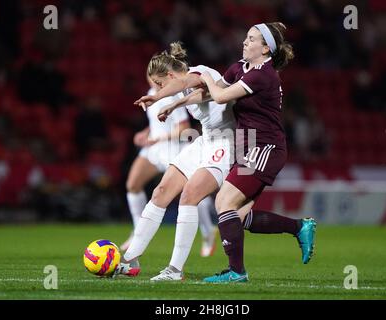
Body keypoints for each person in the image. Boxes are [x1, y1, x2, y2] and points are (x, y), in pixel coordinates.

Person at [197, 22, 317, 283]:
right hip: (247, 142)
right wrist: (172, 102)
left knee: (223, 203)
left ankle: (237, 273)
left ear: (265, 49)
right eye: (246, 37)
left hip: (264, 146)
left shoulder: (264, 74)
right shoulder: (241, 67)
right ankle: (299, 227)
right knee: (237, 216)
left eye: (251, 39)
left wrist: (204, 76)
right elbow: (209, 94)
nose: (245, 42)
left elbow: (219, 96)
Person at [114, 42, 236, 281]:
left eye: (159, 83)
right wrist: (171, 105)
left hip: (226, 142)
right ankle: (130, 258)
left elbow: (184, 84)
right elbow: (196, 95)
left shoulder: (201, 72)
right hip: (205, 140)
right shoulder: (184, 87)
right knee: (160, 192)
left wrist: (160, 97)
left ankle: (174, 270)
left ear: (169, 75)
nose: (156, 88)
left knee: (189, 196)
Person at [121, 76, 218, 258]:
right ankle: (137, 230)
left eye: (155, 77)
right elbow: (157, 122)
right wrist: (145, 133)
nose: (151, 80)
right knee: (133, 184)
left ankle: (208, 231)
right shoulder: (151, 94)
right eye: (149, 75)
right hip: (154, 150)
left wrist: (157, 139)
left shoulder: (173, 95)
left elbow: (184, 129)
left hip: (173, 149)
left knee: (192, 192)